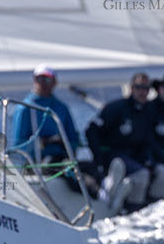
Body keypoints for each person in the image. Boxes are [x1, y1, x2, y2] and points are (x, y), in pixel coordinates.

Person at [86, 73, 164, 213]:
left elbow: (148, 141)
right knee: (142, 174)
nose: (142, 92)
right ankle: (131, 211)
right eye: (139, 87)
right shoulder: (116, 108)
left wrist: (151, 160)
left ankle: (154, 211)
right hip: (114, 155)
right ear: (131, 88)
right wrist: (99, 159)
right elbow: (91, 131)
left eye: (146, 88)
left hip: (136, 157)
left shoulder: (149, 111)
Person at [6, 65, 97, 199]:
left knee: (89, 167)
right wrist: (43, 143)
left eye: (47, 79)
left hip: (60, 157)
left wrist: (64, 144)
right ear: (34, 80)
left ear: (54, 82)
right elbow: (18, 146)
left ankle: (105, 192)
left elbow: (72, 140)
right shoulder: (24, 109)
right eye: (40, 79)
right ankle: (95, 193)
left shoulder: (61, 108)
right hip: (37, 162)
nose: (43, 83)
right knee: (68, 168)